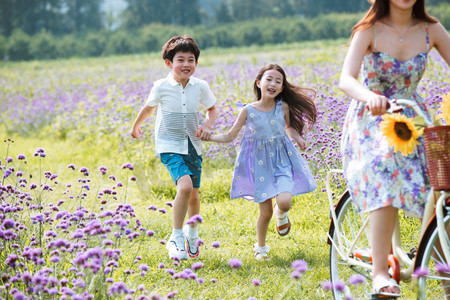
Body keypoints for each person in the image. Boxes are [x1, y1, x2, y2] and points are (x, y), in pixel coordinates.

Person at [339, 0, 450, 297]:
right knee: (386, 164)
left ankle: (441, 265)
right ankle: (379, 273)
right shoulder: (369, 29)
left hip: (413, 113)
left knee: (443, 178)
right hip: (372, 116)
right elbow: (346, 79)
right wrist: (370, 97)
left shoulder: (432, 29)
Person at [201, 64, 317, 260]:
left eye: (278, 81)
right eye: (269, 79)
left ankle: (282, 214)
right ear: (259, 83)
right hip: (259, 165)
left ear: (282, 88)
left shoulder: (283, 107)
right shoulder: (248, 110)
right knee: (265, 213)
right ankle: (261, 248)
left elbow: (289, 128)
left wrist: (297, 138)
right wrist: (209, 137)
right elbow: (230, 136)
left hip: (282, 161)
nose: (273, 84)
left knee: (284, 201)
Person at [130, 35, 218, 260]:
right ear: (169, 63)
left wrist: (207, 125)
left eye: (191, 60)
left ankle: (191, 232)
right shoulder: (161, 86)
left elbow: (212, 109)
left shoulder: (201, 86)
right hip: (169, 144)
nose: (186, 64)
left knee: (194, 195)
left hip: (193, 145)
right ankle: (176, 236)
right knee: (186, 186)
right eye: (181, 60)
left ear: (196, 63)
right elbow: (149, 108)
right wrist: (136, 126)